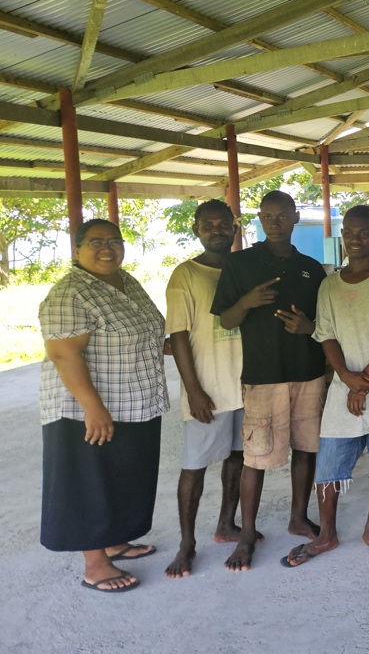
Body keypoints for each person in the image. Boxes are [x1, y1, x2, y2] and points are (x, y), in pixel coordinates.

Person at [281, 205, 369, 567]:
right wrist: (344, 375)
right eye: (349, 232)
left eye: (364, 232)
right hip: (347, 385)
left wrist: (361, 382)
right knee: (329, 461)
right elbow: (324, 334)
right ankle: (326, 534)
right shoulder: (329, 284)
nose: (355, 238)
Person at [39, 219, 168, 592]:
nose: (107, 248)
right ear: (76, 250)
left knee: (124, 476)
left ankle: (115, 539)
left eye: (114, 241)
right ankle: (95, 564)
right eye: (96, 242)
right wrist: (92, 408)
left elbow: (141, 333)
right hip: (85, 410)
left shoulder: (126, 282)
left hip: (135, 403)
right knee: (89, 482)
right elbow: (64, 353)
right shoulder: (70, 293)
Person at [211, 190, 326, 571]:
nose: (275, 223)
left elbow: (324, 323)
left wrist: (309, 328)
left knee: (307, 449)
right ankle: (246, 535)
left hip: (307, 371)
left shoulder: (312, 268)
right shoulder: (240, 264)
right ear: (260, 220)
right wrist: (246, 302)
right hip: (263, 374)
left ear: (295, 218)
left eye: (282, 216)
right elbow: (226, 319)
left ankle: (298, 516)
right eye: (267, 216)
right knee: (256, 457)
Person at [164, 200, 247, 579]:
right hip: (208, 388)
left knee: (239, 458)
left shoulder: (245, 267)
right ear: (196, 230)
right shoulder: (185, 275)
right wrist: (193, 389)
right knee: (194, 466)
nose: (216, 230)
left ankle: (226, 525)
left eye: (223, 224)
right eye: (207, 225)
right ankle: (187, 543)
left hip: (246, 384)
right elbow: (178, 336)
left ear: (234, 227)